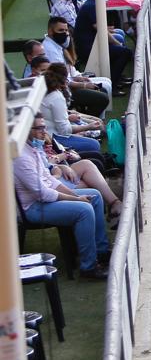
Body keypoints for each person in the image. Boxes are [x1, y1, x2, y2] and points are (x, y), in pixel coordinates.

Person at [14, 116, 111, 280]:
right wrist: (77, 200)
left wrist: (74, 195)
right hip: (33, 207)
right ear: (26, 131)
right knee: (84, 210)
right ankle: (89, 267)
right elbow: (42, 194)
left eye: (44, 127)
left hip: (45, 199)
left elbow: (51, 180)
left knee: (94, 195)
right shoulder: (21, 158)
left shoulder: (33, 149)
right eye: (39, 128)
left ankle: (101, 251)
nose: (44, 132)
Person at [41, 66, 102, 153]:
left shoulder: (44, 93)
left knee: (96, 129)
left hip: (48, 134)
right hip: (52, 138)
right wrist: (87, 127)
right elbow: (64, 130)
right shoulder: (56, 97)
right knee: (94, 145)